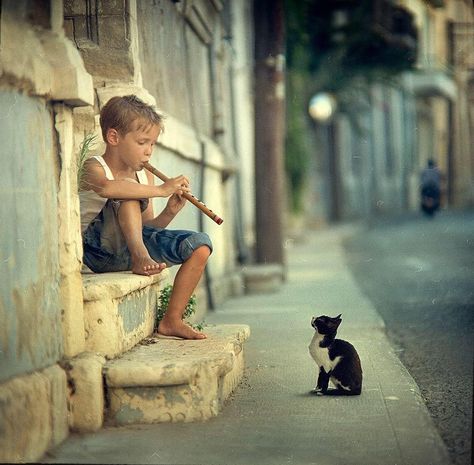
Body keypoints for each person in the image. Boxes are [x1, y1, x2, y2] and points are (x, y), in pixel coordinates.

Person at [79, 95, 212, 340]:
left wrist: (169, 211)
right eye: (143, 143)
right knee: (126, 187)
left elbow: (145, 227)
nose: (149, 152)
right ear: (114, 138)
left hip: (129, 247)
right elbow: (108, 188)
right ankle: (141, 257)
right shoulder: (93, 167)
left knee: (200, 245)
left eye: (153, 144)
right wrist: (162, 190)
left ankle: (172, 319)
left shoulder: (145, 178)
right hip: (96, 253)